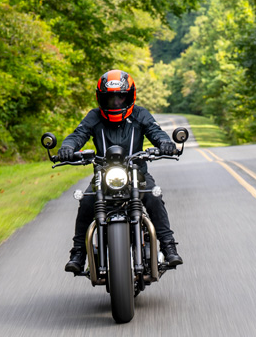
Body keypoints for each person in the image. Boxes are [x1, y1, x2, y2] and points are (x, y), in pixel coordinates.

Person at [58, 69, 183, 274]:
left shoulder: (140, 114)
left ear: (130, 96)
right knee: (88, 201)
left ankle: (169, 246)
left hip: (136, 172)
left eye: (120, 97)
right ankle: (78, 252)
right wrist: (67, 148)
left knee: (153, 197)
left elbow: (155, 131)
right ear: (101, 98)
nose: (115, 102)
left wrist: (165, 143)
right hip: (104, 174)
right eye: (110, 98)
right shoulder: (95, 116)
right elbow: (78, 134)